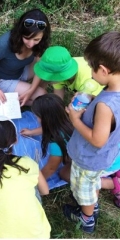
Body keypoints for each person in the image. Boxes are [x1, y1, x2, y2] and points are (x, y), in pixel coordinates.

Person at [63, 31, 120, 234]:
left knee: (83, 189)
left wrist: (75, 119)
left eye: (91, 67)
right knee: (92, 183)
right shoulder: (114, 93)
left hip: (90, 158)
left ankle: (86, 217)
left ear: (104, 70)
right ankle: (91, 204)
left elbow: (97, 140)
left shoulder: (106, 105)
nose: (90, 71)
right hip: (107, 155)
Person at [0, 116, 51, 238]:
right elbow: (45, 191)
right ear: (16, 140)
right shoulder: (29, 163)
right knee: (31, 184)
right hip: (39, 235)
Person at [0, 8, 51, 106]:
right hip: (3, 79)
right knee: (42, 95)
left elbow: (40, 65)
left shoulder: (40, 43)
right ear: (21, 32)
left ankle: (29, 93)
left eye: (36, 39)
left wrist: (31, 90)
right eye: (27, 38)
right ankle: (27, 96)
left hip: (20, 70)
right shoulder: (3, 44)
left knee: (48, 67)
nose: (31, 44)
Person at [20, 93, 73, 182]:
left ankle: (103, 182)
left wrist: (33, 182)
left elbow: (51, 168)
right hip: (92, 151)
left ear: (46, 119)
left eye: (37, 117)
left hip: (93, 165)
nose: (36, 119)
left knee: (64, 174)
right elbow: (50, 126)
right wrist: (31, 132)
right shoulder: (68, 118)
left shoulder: (57, 143)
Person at [33, 46, 104, 100]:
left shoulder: (87, 80)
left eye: (50, 77)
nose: (46, 80)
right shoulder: (60, 70)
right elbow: (58, 97)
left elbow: (99, 102)